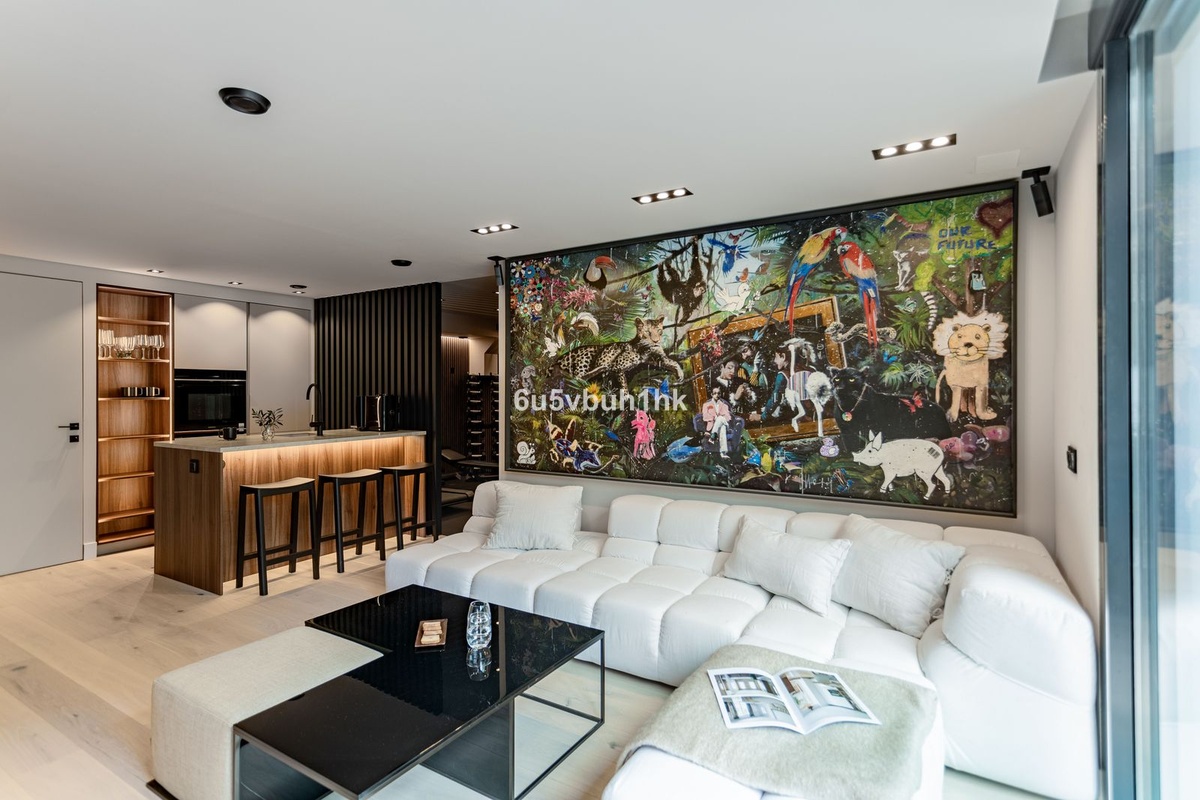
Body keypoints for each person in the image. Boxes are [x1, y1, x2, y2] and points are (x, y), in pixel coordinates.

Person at [702, 385, 733, 457]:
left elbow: (728, 417)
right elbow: (705, 417)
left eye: (718, 393)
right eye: (715, 393)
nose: (717, 395)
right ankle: (723, 453)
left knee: (721, 419)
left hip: (724, 423)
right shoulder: (706, 405)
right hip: (713, 426)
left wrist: (720, 418)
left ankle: (712, 437)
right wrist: (714, 418)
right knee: (722, 428)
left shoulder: (724, 405)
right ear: (711, 394)